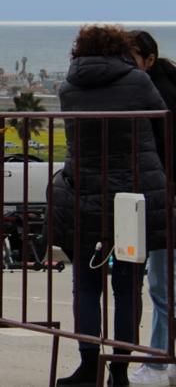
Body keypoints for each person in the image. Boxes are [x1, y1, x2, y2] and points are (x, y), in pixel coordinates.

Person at [53, 25, 168, 387]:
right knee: (127, 286)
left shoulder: (69, 88)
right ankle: (119, 369)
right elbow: (162, 127)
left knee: (86, 285)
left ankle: (89, 366)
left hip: (84, 194)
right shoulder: (138, 82)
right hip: (132, 198)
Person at [127, 31, 176, 387]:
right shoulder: (163, 84)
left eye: (131, 59)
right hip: (163, 194)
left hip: (164, 196)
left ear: (148, 57)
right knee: (162, 283)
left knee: (160, 284)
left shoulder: (155, 95)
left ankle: (158, 361)